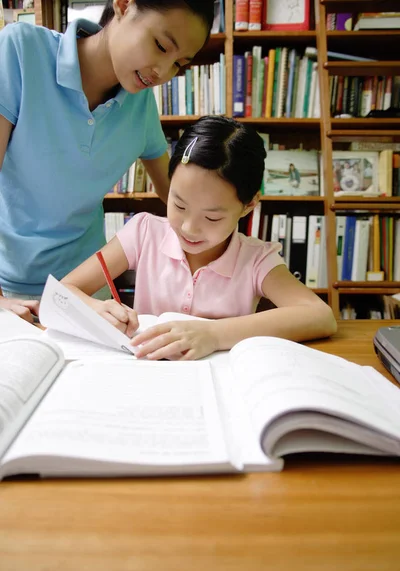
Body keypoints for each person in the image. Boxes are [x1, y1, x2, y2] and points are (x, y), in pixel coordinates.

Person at [0, 0, 215, 322]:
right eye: (160, 45)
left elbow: (173, 195)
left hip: (85, 291)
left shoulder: (140, 106)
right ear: (124, 6)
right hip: (8, 286)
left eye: (179, 64)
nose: (162, 72)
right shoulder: (21, 50)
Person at [62, 116, 337, 360]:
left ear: (248, 206)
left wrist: (215, 334)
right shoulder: (144, 232)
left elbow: (320, 316)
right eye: (179, 206)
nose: (190, 228)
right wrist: (97, 308)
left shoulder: (255, 259)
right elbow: (66, 289)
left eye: (212, 218)